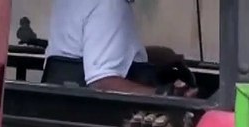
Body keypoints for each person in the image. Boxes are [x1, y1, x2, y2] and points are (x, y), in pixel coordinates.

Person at [45, 0, 195, 96]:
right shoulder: (110, 5)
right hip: (102, 118)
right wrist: (164, 95)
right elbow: (102, 82)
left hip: (59, 104)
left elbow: (93, 51)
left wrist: (154, 54)